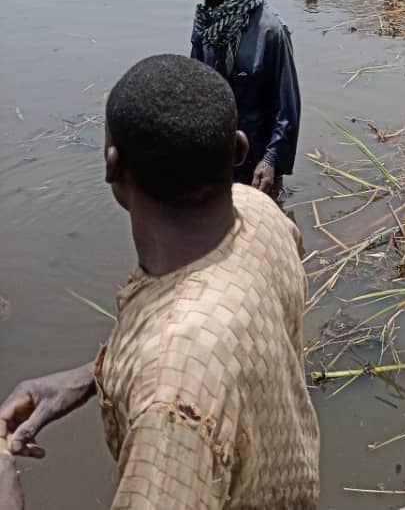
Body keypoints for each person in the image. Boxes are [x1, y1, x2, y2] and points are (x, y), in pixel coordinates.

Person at [0, 54, 319, 510]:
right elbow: (213, 327)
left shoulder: (171, 408)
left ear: (113, 166)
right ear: (239, 150)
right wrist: (96, 376)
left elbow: (185, 360)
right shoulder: (260, 214)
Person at [188, 0, 300, 201]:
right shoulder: (206, 22)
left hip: (257, 162)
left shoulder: (270, 32)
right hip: (216, 154)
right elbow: (193, 86)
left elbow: (287, 108)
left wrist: (271, 161)